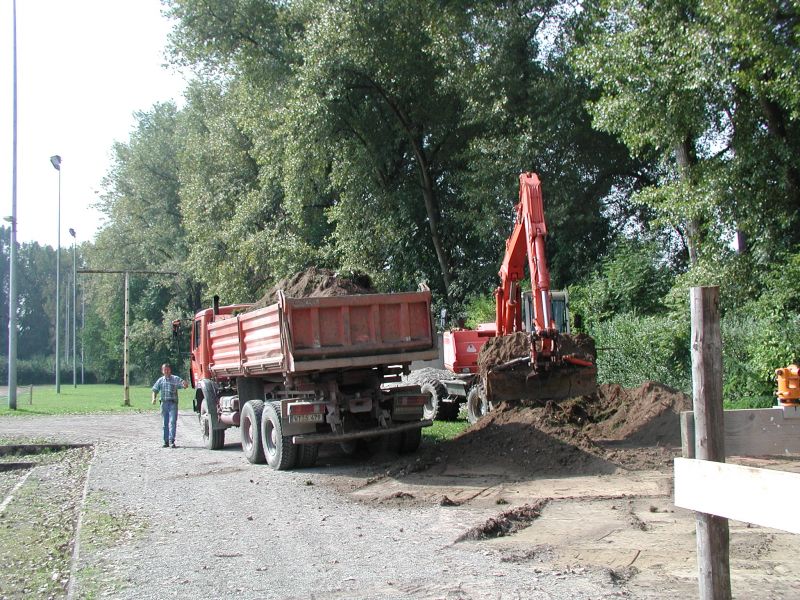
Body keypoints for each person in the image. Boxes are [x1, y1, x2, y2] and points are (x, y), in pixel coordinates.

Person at [151, 363, 189, 448]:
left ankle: (172, 441)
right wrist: (153, 399)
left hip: (173, 403)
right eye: (165, 370)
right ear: (162, 371)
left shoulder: (175, 379)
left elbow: (184, 385)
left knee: (172, 422)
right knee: (165, 423)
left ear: (170, 370)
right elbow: (154, 390)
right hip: (164, 403)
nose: (166, 371)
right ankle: (165, 441)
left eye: (168, 369)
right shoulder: (160, 380)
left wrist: (185, 384)